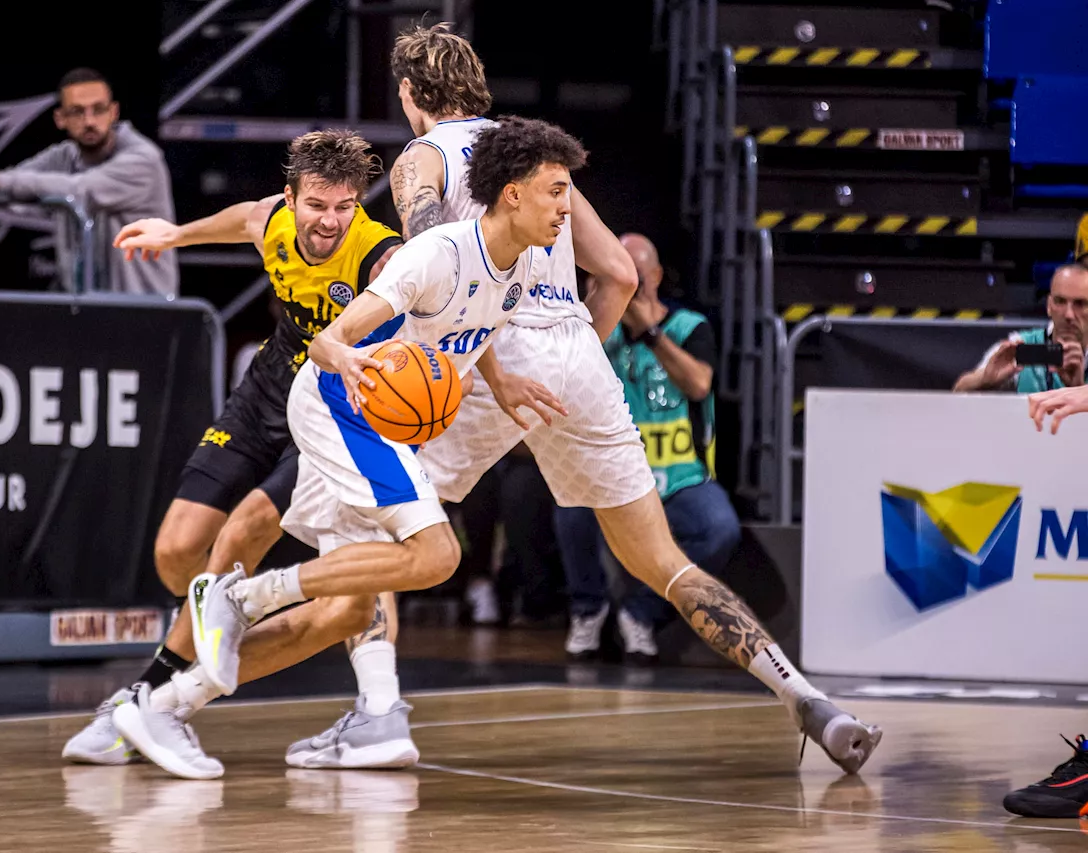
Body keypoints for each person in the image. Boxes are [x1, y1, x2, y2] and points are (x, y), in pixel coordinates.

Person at [259, 23, 879, 776]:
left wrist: (487, 369)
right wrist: (580, 352)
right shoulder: (540, 165)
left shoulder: (420, 158)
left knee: (372, 527)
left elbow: (442, 271)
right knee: (664, 561)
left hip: (485, 352)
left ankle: (377, 714)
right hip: (579, 353)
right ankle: (809, 697)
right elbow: (617, 272)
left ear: (410, 94)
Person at [109, 114, 576, 780]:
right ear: (513, 195)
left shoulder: (522, 265)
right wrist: (350, 361)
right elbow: (330, 344)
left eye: (344, 205)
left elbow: (477, 322)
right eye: (557, 191)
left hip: (363, 411)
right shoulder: (429, 255)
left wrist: (497, 383)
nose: (568, 208)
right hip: (335, 403)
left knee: (355, 602)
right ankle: (235, 605)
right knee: (431, 553)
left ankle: (165, 703)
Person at [58, 129, 400, 765]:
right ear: (291, 196)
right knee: (178, 551)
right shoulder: (271, 217)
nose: (329, 220)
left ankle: (154, 696)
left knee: (259, 544)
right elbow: (242, 218)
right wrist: (175, 234)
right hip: (270, 386)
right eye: (317, 205)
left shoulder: (379, 257)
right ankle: (210, 640)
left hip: (332, 409)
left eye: (344, 206)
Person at [557, 232, 741, 665]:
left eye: (637, 277)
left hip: (679, 475)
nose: (631, 286)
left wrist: (651, 332)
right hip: (613, 475)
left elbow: (699, 384)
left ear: (656, 276)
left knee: (720, 529)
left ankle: (641, 614)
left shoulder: (687, 327)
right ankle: (588, 610)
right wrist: (596, 307)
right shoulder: (595, 331)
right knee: (568, 509)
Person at [0, 68, 179, 296]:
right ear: (60, 119)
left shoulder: (143, 159)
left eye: (98, 109)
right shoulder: (64, 156)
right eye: (78, 112)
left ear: (114, 112)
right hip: (85, 311)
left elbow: (81, 190)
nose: (90, 121)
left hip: (145, 310)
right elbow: (13, 186)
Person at [953, 262, 1088, 394]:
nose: (1069, 314)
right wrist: (984, 380)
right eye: (1060, 301)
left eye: (1080, 304)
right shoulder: (1022, 346)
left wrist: (1078, 391)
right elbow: (959, 390)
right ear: (1049, 306)